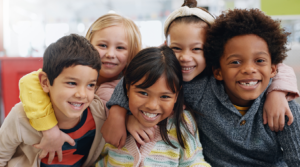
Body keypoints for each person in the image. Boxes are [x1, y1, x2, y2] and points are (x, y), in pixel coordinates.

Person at [107, 8, 300, 166]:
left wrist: (278, 92)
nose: (249, 69)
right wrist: (119, 113)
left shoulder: (283, 107)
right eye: (235, 62)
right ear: (217, 70)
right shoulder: (198, 90)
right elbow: (140, 77)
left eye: (196, 48)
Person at [17, 13, 142, 164]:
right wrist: (49, 129)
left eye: (120, 47)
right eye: (102, 45)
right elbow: (29, 81)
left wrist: (126, 118)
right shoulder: (69, 71)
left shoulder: (131, 86)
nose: (110, 54)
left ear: (131, 54)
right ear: (89, 45)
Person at [0, 34, 106, 167]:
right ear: (45, 82)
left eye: (90, 85)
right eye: (72, 83)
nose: (82, 94)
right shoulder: (20, 117)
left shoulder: (99, 114)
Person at [96, 46, 210, 166]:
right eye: (143, 93)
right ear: (127, 89)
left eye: (165, 96)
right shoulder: (114, 122)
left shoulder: (183, 123)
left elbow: (195, 163)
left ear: (176, 95)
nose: (152, 106)